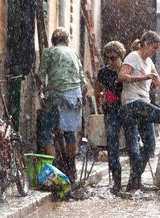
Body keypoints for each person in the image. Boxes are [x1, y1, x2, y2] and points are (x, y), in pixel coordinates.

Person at [118, 30, 160, 191]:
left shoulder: (150, 63)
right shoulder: (133, 57)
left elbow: (159, 84)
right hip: (132, 104)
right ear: (146, 44)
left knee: (150, 146)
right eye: (154, 48)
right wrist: (142, 78)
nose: (155, 51)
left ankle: (134, 180)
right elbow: (122, 76)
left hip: (143, 104)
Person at [37, 27, 87, 184]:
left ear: (53, 40)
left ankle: (52, 172)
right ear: (67, 40)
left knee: (46, 131)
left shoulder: (49, 52)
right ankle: (71, 169)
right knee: (69, 131)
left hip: (57, 94)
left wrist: (44, 88)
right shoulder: (74, 53)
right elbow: (82, 80)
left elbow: (40, 75)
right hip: (75, 95)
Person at [96, 41, 126, 195]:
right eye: (108, 59)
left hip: (126, 110)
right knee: (112, 147)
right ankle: (117, 183)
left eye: (114, 58)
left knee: (132, 145)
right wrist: (102, 98)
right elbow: (98, 90)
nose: (111, 62)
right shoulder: (103, 72)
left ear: (120, 56)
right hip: (111, 111)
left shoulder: (126, 70)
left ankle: (135, 180)